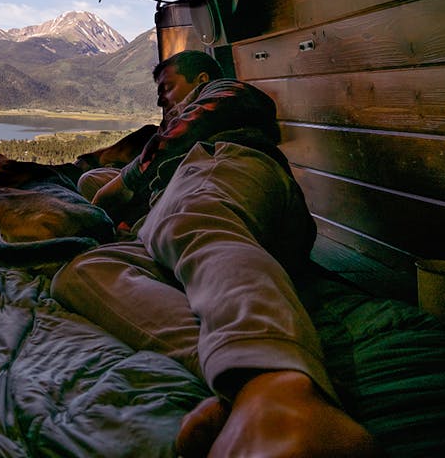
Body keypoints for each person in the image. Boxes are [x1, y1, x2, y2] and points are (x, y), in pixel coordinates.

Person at [50, 50, 382, 457]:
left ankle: (278, 390)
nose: (162, 99)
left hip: (226, 167)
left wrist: (125, 183)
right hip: (175, 201)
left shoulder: (225, 92)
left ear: (201, 79)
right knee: (83, 271)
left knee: (192, 221)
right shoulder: (167, 141)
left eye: (168, 87)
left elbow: (215, 115)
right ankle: (233, 373)